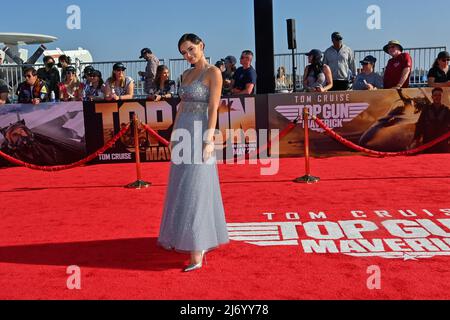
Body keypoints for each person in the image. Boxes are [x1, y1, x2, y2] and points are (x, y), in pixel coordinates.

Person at [158, 33, 229, 272]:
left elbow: (213, 107)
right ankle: (180, 236)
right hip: (183, 133)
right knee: (180, 185)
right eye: (183, 53)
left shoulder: (213, 73)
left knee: (196, 187)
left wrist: (209, 138)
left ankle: (197, 249)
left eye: (190, 49)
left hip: (200, 134)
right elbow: (180, 107)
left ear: (201, 45)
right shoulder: (186, 75)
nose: (188, 55)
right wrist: (173, 134)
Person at [411, 87, 450, 153]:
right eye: (435, 95)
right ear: (432, 97)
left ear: (441, 97)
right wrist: (416, 139)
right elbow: (420, 124)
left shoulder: (446, 110)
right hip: (428, 144)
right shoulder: (426, 110)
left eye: (439, 95)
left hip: (442, 145)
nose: (437, 97)